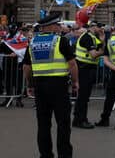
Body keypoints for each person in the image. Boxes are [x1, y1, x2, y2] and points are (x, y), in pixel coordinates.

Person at [22, 12, 78, 158]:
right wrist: (75, 82)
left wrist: (29, 84)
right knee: (63, 124)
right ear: (51, 26)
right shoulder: (61, 41)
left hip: (40, 86)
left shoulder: (32, 43)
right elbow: (72, 63)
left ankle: (45, 155)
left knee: (43, 124)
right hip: (58, 85)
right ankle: (64, 155)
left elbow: (26, 67)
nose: (60, 27)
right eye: (58, 24)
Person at [72, 22, 104, 129]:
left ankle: (78, 119)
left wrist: (102, 38)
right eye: (98, 27)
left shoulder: (93, 37)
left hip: (86, 68)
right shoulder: (88, 37)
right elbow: (94, 54)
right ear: (92, 27)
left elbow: (99, 46)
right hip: (84, 69)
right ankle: (81, 120)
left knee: (83, 96)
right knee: (83, 96)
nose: (100, 29)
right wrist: (102, 51)